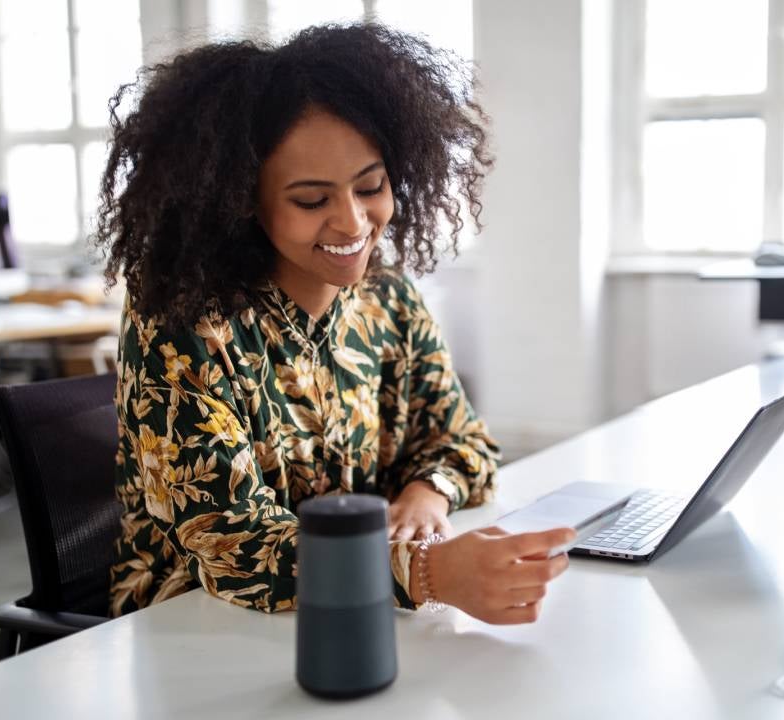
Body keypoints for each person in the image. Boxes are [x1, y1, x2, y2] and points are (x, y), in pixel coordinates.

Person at [95, 23, 574, 625]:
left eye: (370, 187)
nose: (352, 223)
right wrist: (424, 572)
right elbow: (232, 543)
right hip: (193, 621)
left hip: (356, 612)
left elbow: (463, 441)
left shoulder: (387, 297)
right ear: (242, 199)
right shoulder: (185, 317)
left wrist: (427, 492)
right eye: (311, 200)